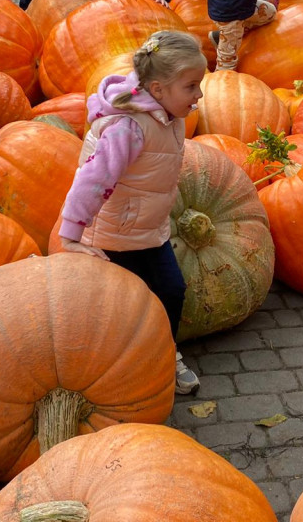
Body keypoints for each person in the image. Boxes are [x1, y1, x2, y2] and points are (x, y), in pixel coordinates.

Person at [59, 30, 207, 395]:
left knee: (171, 291)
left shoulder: (167, 114)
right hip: (112, 236)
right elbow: (93, 179)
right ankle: (114, 375)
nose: (199, 95)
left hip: (148, 231)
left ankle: (164, 354)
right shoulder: (128, 127)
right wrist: (70, 235)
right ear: (158, 90)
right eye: (191, 87)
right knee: (119, 312)